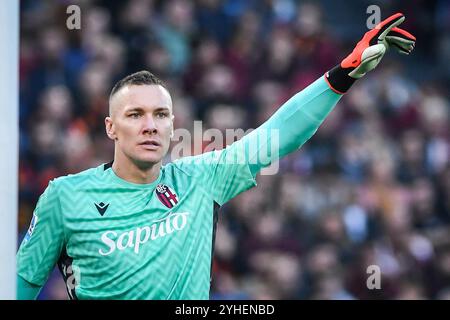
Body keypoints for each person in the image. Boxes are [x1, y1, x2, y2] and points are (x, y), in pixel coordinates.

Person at [17, 13, 416, 299]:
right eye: (135, 115)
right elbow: (20, 288)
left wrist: (344, 72)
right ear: (110, 127)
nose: (150, 125)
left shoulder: (199, 178)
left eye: (160, 115)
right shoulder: (64, 196)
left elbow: (275, 137)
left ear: (173, 126)